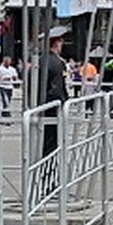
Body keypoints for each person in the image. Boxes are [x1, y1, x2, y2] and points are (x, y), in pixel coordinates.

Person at [42, 28, 69, 158]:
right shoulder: (58, 63)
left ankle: (45, 173)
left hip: (41, 105)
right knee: (52, 144)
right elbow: (57, 88)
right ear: (56, 43)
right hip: (52, 108)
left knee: (44, 143)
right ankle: (51, 174)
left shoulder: (40, 60)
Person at [0, 55, 18, 120]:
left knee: (8, 101)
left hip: (10, 87)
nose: (7, 62)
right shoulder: (0, 69)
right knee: (5, 101)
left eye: (9, 61)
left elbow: (15, 78)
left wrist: (12, 78)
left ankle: (3, 113)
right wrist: (3, 79)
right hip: (2, 86)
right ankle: (8, 116)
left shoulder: (12, 69)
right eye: (6, 61)